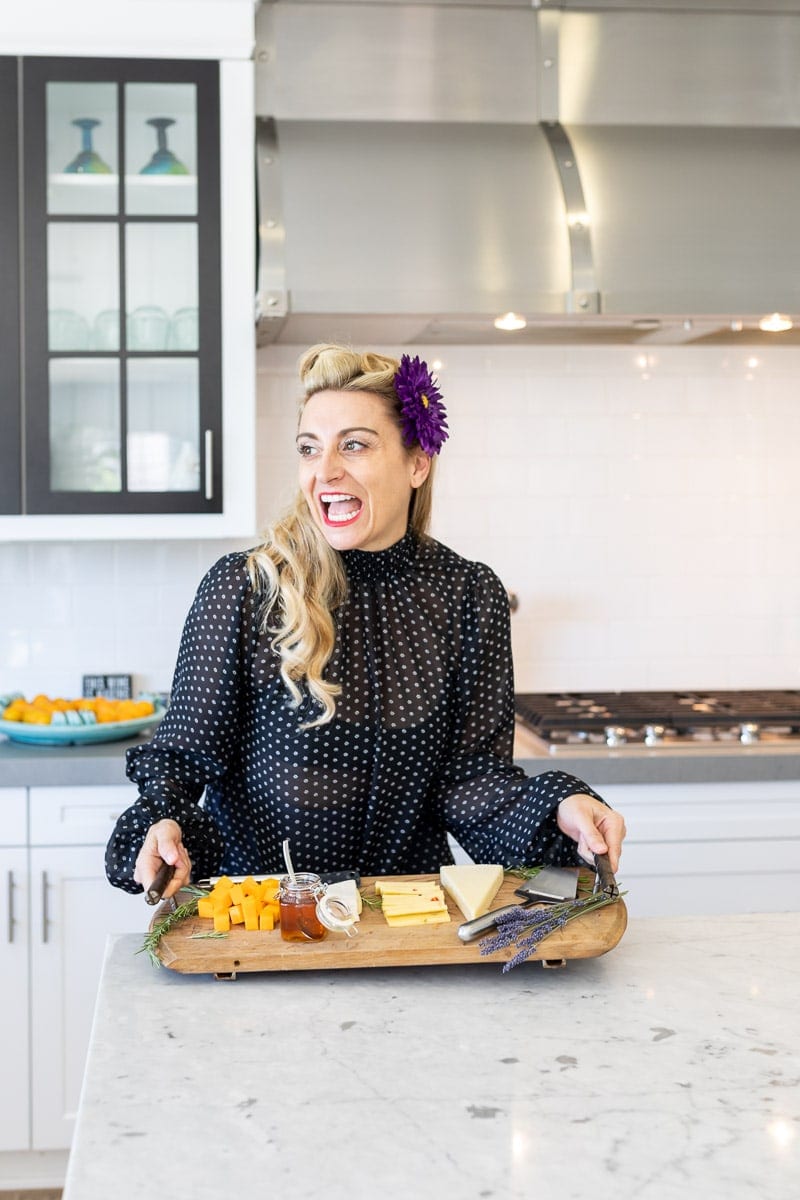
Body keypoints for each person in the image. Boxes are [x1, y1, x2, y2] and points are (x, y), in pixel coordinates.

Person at [106, 345, 625, 901]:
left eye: (353, 445)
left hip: (407, 919)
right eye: (310, 449)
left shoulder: (468, 595)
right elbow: (182, 757)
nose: (325, 471)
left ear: (417, 462)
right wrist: (165, 825)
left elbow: (471, 779)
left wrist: (560, 808)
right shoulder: (244, 587)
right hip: (260, 917)